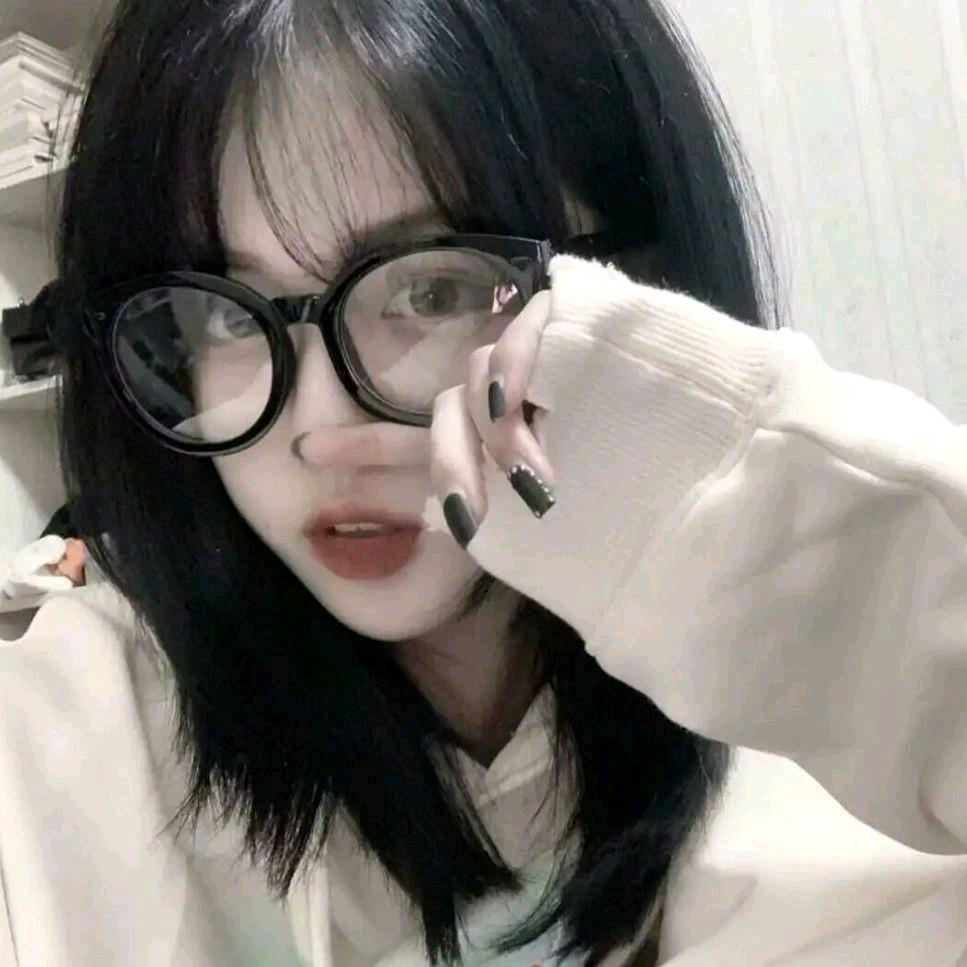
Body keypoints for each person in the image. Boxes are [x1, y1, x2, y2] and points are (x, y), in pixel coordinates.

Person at [1, 0, 964, 964]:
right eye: (223, 313)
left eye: (431, 290)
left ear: (636, 270)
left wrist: (790, 529)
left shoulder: (808, 693)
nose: (325, 435)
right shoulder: (81, 730)